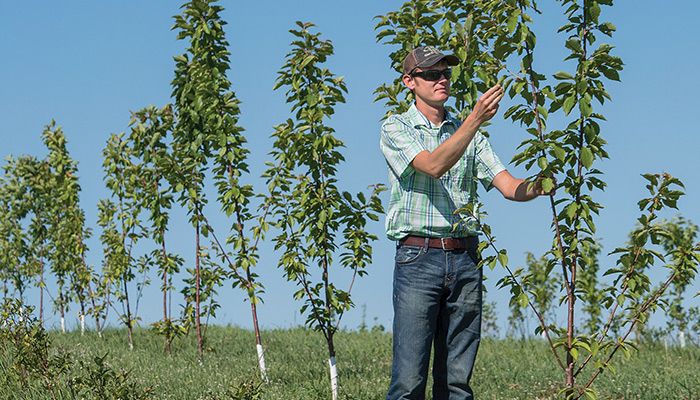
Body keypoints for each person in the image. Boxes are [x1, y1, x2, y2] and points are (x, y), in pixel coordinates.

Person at [380, 45, 553, 400]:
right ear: (409, 82)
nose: (442, 79)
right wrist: (474, 120)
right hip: (418, 259)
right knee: (409, 382)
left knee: (457, 384)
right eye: (431, 74)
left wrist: (542, 184)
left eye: (445, 73)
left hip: (465, 261)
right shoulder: (395, 128)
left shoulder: (469, 134)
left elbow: (508, 186)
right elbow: (432, 165)